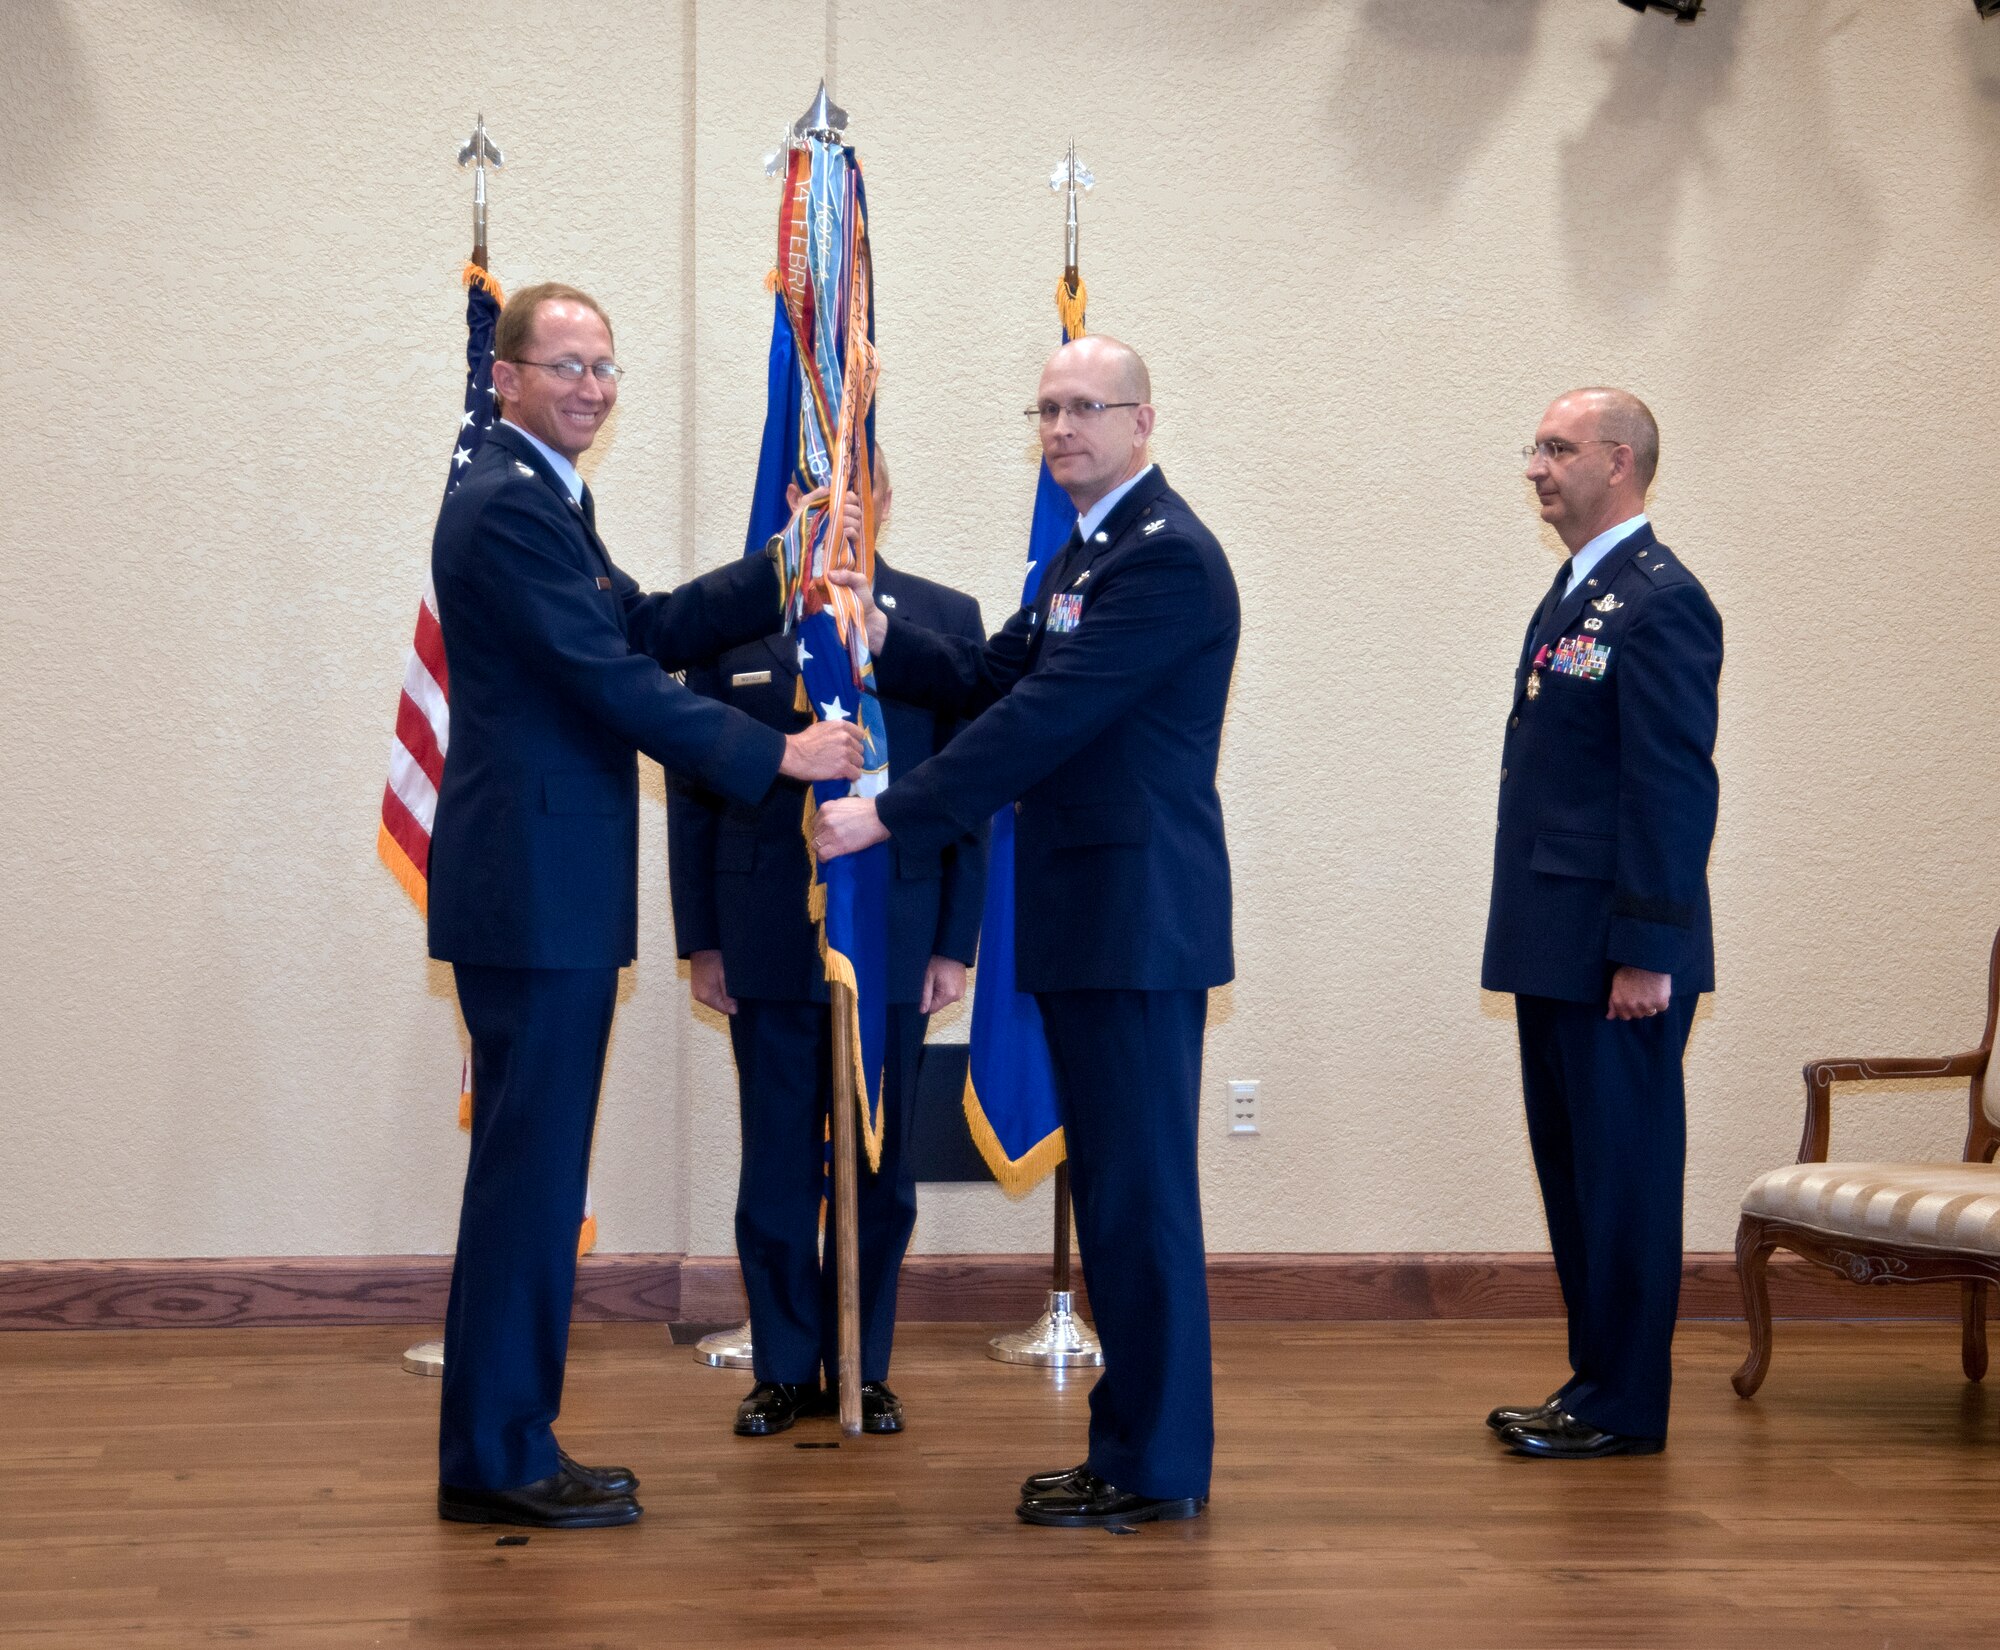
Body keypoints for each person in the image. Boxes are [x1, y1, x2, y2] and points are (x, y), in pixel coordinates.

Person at [426, 282, 862, 1528]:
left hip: (540, 889)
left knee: (532, 1174)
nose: (589, 387)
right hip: (531, 892)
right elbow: (613, 681)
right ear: (502, 378)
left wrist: (784, 565)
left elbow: (651, 625)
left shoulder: (546, 502)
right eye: (563, 365)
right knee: (529, 1179)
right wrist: (774, 756)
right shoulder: (506, 507)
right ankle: (502, 1459)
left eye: (605, 366)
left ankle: (500, 1442)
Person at [812, 336, 1238, 1528]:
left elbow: (1041, 719)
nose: (1059, 430)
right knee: (1110, 1199)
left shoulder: (1164, 561)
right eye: (1044, 410)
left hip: (1136, 922)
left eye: (1084, 409)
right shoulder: (1084, 558)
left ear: (1143, 421)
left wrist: (885, 818)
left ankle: (1156, 1468)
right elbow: (991, 673)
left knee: (1140, 1204)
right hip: (1087, 918)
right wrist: (884, 631)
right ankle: (1128, 1454)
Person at [666, 450, 986, 1438]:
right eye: (815, 494)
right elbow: (691, 791)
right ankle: (782, 1365)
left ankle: (863, 1363)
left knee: (879, 1170)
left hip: (894, 930)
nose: (837, 509)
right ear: (788, 503)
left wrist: (953, 942)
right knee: (771, 1165)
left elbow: (971, 793)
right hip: (762, 932)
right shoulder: (732, 628)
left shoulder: (944, 621)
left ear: (885, 499)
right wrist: (701, 939)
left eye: (856, 491)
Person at [1481, 387, 1723, 1460]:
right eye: (1534, 446)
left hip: (1614, 955)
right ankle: (1591, 1387)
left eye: (1554, 447)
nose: (1533, 466)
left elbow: (1669, 789)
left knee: (1621, 1179)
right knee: (1575, 1174)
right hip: (1553, 941)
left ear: (1616, 461)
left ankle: (1624, 1403)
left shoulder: (1660, 601)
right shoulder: (1579, 592)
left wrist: (1644, 949)